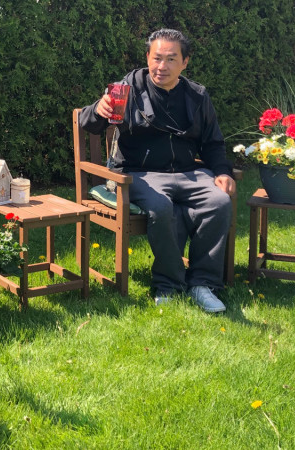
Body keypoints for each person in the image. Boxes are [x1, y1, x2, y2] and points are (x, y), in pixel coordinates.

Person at [79, 28, 236, 313]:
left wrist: (223, 172)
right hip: (139, 174)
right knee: (161, 207)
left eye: (171, 59)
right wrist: (98, 109)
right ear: (147, 58)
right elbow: (90, 123)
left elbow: (212, 143)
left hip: (188, 173)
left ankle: (203, 284)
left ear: (185, 62)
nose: (161, 66)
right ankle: (169, 284)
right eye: (156, 58)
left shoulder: (197, 95)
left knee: (219, 202)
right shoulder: (127, 88)